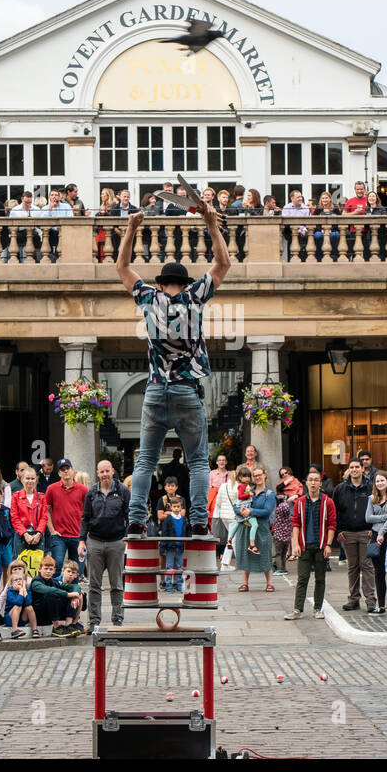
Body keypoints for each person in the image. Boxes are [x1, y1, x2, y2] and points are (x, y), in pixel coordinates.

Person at [116, 203, 231, 539]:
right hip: (186, 390)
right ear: (184, 282)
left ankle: (136, 521)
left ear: (163, 282)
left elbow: (122, 266)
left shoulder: (149, 298)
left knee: (145, 461)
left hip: (155, 390)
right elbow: (224, 264)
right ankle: (198, 521)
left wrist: (131, 228)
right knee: (197, 462)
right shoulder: (195, 296)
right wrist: (211, 223)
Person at [80, 459, 129, 632]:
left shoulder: (122, 490)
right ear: (97, 473)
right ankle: (94, 621)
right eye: (101, 472)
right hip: (95, 542)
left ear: (113, 471)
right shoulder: (92, 492)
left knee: (117, 584)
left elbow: (129, 515)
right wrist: (81, 541)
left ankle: (117, 619)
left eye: (107, 471)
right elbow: (85, 518)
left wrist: (126, 537)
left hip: (116, 542)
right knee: (94, 585)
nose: (105, 474)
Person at [285, 470, 335, 621]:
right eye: (310, 480)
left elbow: (332, 525)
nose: (313, 483)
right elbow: (295, 524)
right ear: (306, 483)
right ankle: (297, 609)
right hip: (304, 546)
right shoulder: (300, 502)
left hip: (321, 546)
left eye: (316, 480)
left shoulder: (328, 502)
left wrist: (328, 545)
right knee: (302, 578)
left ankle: (317, 608)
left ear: (321, 483)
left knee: (320, 579)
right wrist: (295, 544)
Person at [334, 459, 376, 612]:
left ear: (362, 468)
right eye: (351, 467)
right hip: (347, 533)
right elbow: (335, 512)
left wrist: (375, 528)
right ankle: (353, 599)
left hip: (367, 532)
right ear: (349, 469)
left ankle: (370, 600)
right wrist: (338, 531)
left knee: (367, 566)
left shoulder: (371, 487)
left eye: (357, 467)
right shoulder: (340, 488)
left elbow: (378, 509)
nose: (354, 470)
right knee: (352, 567)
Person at [235, 466, 276, 593]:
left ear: (265, 475)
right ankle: (245, 583)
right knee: (245, 553)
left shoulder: (269, 494)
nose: (257, 477)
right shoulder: (247, 490)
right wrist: (241, 511)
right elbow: (236, 504)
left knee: (265, 553)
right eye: (255, 475)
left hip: (262, 527)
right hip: (246, 526)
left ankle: (269, 583)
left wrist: (251, 511)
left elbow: (267, 511)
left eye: (260, 475)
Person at [365, 471, 387, 613]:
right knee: (378, 571)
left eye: (382, 480)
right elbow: (367, 518)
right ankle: (381, 605)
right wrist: (385, 515)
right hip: (375, 537)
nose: (380, 483)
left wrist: (382, 532)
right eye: (377, 481)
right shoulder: (371, 498)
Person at [44, 458, 86, 566]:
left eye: (68, 468)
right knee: (56, 565)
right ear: (59, 473)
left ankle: (72, 583)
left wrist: (86, 532)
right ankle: (56, 583)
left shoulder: (83, 489)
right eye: (62, 469)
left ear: (72, 470)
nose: (66, 471)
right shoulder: (51, 489)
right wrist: (52, 530)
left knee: (76, 569)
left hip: (77, 535)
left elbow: (89, 512)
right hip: (58, 536)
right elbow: (46, 510)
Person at [31, 556, 83, 636]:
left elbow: (75, 586)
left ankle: (69, 625)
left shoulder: (54, 581)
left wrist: (75, 595)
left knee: (73, 595)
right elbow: (48, 590)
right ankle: (57, 627)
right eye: (46, 568)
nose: (48, 571)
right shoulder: (36, 581)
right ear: (39, 569)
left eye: (51, 569)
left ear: (54, 571)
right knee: (52, 594)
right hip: (39, 615)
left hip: (51, 614)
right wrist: (68, 594)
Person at [10, 468, 47, 561]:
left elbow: (44, 517)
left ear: (36, 480)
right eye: (27, 478)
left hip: (38, 535)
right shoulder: (16, 496)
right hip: (21, 535)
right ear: (22, 480)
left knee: (37, 565)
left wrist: (38, 534)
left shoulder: (42, 497)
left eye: (32, 478)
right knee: (19, 565)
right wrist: (25, 534)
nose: (30, 481)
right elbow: (14, 518)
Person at [1, 560, 37, 638]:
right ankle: (14, 630)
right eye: (16, 580)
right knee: (18, 606)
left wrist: (24, 589)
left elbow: (28, 602)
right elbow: (18, 602)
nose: (18, 581)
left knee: (29, 607)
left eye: (20, 579)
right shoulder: (10, 590)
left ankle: (35, 629)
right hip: (10, 619)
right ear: (12, 582)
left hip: (22, 618)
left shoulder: (28, 584)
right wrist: (21, 591)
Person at [159, 496, 187, 592]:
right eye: (174, 506)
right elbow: (164, 533)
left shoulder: (184, 519)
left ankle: (179, 586)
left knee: (179, 567)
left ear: (181, 507)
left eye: (178, 506)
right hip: (170, 547)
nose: (176, 508)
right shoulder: (168, 519)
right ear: (171, 507)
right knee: (169, 567)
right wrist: (162, 547)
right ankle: (169, 586)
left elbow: (186, 532)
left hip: (180, 546)